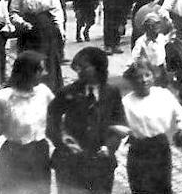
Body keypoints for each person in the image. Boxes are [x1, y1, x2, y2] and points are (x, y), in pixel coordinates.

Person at [48, 47, 127, 194]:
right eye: (77, 68)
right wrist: (63, 142)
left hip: (101, 166)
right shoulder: (67, 93)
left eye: (84, 68)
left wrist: (109, 147)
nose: (79, 72)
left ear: (98, 68)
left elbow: (120, 123)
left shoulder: (112, 93)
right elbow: (51, 121)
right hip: (70, 165)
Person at [0, 51, 55, 194]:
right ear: (28, 72)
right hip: (12, 157)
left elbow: (57, 120)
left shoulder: (44, 93)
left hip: (39, 154)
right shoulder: (3, 99)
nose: (45, 73)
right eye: (41, 70)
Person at [120, 61, 182, 194]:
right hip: (138, 150)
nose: (144, 80)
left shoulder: (162, 95)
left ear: (153, 76)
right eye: (138, 77)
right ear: (132, 81)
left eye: (147, 75)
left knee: (163, 186)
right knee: (141, 188)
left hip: (160, 147)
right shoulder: (126, 103)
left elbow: (180, 114)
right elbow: (118, 126)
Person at [8, 0, 65, 89]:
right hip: (29, 32)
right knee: (31, 61)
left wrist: (60, 29)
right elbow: (13, 13)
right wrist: (22, 23)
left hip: (47, 31)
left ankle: (51, 88)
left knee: (49, 61)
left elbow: (57, 11)